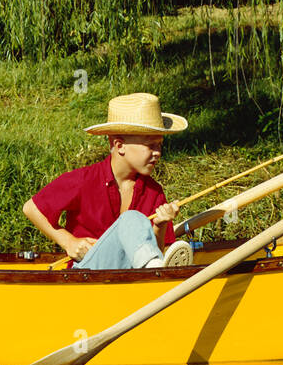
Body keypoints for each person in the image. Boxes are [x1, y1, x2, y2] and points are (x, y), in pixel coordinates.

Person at [23, 92, 194, 269]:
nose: (158, 152)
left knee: (149, 257)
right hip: (86, 273)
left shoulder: (154, 191)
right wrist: (68, 241)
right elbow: (31, 208)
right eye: (150, 145)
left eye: (160, 145)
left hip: (133, 273)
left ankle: (154, 273)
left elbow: (155, 252)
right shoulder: (84, 180)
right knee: (132, 218)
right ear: (120, 146)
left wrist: (160, 226)